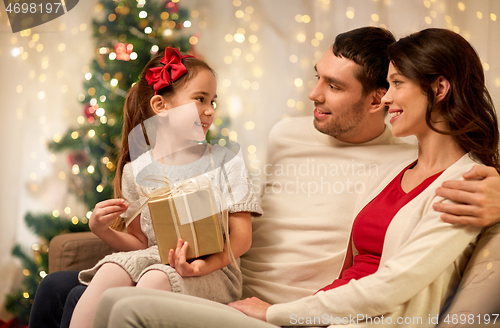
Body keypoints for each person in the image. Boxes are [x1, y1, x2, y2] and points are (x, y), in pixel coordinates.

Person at [28, 27, 500, 328]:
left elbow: (452, 175)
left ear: (379, 100)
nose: (313, 94)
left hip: (279, 305)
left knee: (113, 305)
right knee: (56, 288)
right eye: (318, 77)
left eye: (333, 87)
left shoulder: (409, 152)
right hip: (223, 283)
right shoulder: (287, 135)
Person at [66, 47, 262, 328]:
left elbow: (241, 238)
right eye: (200, 99)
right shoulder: (135, 171)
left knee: (155, 277)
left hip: (213, 270)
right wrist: (102, 230)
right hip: (157, 258)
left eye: (212, 101)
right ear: (161, 106)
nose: (209, 111)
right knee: (110, 269)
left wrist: (202, 265)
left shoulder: (224, 161)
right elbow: (141, 244)